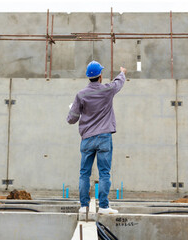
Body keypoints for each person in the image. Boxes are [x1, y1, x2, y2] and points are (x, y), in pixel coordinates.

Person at [67, 60, 126, 215]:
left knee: (84, 173)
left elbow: (71, 119)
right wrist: (122, 72)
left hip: (87, 138)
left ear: (88, 77)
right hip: (104, 137)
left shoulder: (81, 95)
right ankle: (104, 207)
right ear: (100, 75)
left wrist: (72, 110)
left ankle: (84, 206)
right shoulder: (107, 90)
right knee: (104, 172)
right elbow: (118, 83)